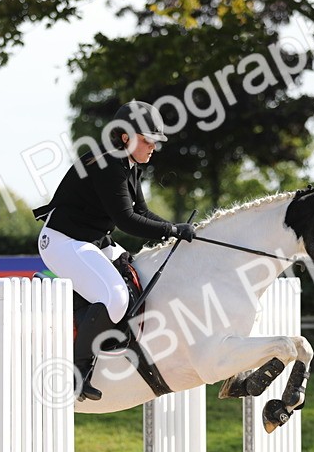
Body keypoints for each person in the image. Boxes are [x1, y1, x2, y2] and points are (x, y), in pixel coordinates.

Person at [33, 100, 196, 401]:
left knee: (135, 277)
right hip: (62, 241)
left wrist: (175, 229)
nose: (152, 148)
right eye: (148, 141)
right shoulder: (108, 164)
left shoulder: (128, 164)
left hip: (91, 241)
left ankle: (89, 320)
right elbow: (126, 220)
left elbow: (143, 211)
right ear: (126, 137)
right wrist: (171, 231)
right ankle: (78, 373)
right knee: (116, 297)